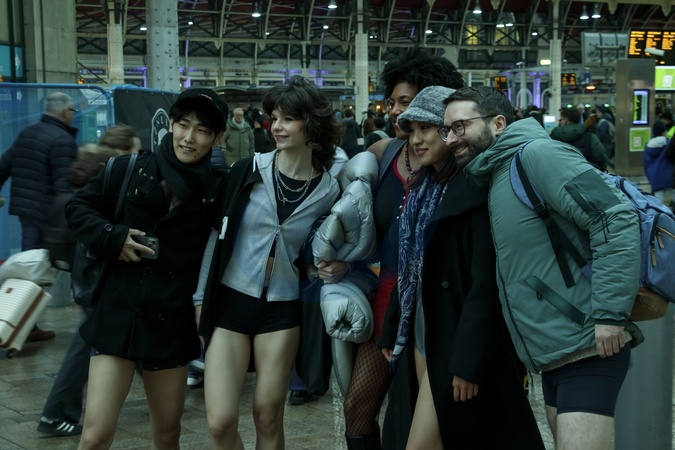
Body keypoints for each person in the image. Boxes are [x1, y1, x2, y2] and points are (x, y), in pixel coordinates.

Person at [444, 86, 642, 450]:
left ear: (498, 123)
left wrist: (610, 314)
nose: (451, 139)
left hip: (587, 347)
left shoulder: (538, 155)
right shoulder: (497, 173)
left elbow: (614, 217)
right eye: (447, 130)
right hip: (554, 356)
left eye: (459, 127)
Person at [379, 85, 544, 450]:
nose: (416, 139)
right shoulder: (422, 190)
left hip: (454, 339)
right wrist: (392, 327)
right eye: (411, 130)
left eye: (427, 128)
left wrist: (469, 361)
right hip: (422, 333)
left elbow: (486, 285)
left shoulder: (476, 190)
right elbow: (409, 270)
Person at [65, 87, 229, 450]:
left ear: (218, 138)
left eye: (202, 130)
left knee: (168, 434)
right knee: (95, 436)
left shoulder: (217, 190)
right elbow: (77, 209)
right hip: (119, 315)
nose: (189, 137)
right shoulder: (129, 168)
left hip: (171, 321)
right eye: (183, 124)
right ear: (170, 124)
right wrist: (114, 236)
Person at [196, 75, 340, 450]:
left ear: (312, 125)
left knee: (267, 415)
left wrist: (331, 266)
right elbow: (215, 235)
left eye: (288, 119)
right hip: (230, 303)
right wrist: (199, 300)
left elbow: (320, 251)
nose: (276, 126)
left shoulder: (329, 190)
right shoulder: (248, 170)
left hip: (282, 309)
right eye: (274, 118)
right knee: (219, 422)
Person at [348, 46, 463, 450]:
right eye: (393, 102)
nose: (396, 111)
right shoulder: (381, 155)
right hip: (386, 299)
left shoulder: (456, 162)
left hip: (434, 306)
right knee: (357, 407)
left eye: (407, 102)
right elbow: (356, 228)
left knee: (418, 417)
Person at [38, 131, 140, 437]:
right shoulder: (108, 173)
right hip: (100, 275)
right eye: (135, 149)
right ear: (123, 149)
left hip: (86, 272)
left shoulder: (85, 167)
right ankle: (55, 414)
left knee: (108, 337)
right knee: (86, 345)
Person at [0, 91, 79, 342]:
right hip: (48, 216)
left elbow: (4, 165)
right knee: (51, 269)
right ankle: (19, 325)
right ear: (65, 112)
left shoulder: (27, 133)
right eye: (72, 111)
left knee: (28, 269)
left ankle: (19, 323)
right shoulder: (62, 140)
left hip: (26, 212)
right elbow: (63, 186)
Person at [644, 120, 673, 203]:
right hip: (669, 177)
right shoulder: (669, 144)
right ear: (664, 132)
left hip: (654, 178)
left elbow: (645, 164)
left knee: (657, 203)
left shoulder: (648, 146)